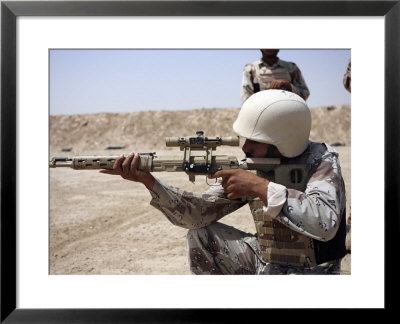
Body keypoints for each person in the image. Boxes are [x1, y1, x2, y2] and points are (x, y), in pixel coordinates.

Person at [100, 90, 347, 275]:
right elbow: (196, 215)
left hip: (314, 273)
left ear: (284, 141)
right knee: (201, 234)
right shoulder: (252, 163)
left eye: (255, 140)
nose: (245, 147)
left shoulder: (321, 162)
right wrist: (151, 182)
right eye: (244, 138)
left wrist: (259, 187)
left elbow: (325, 223)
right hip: (267, 262)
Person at [241, 49, 310, 103]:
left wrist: (288, 86)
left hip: (289, 114)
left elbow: (304, 95)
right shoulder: (250, 69)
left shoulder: (291, 68)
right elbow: (246, 100)